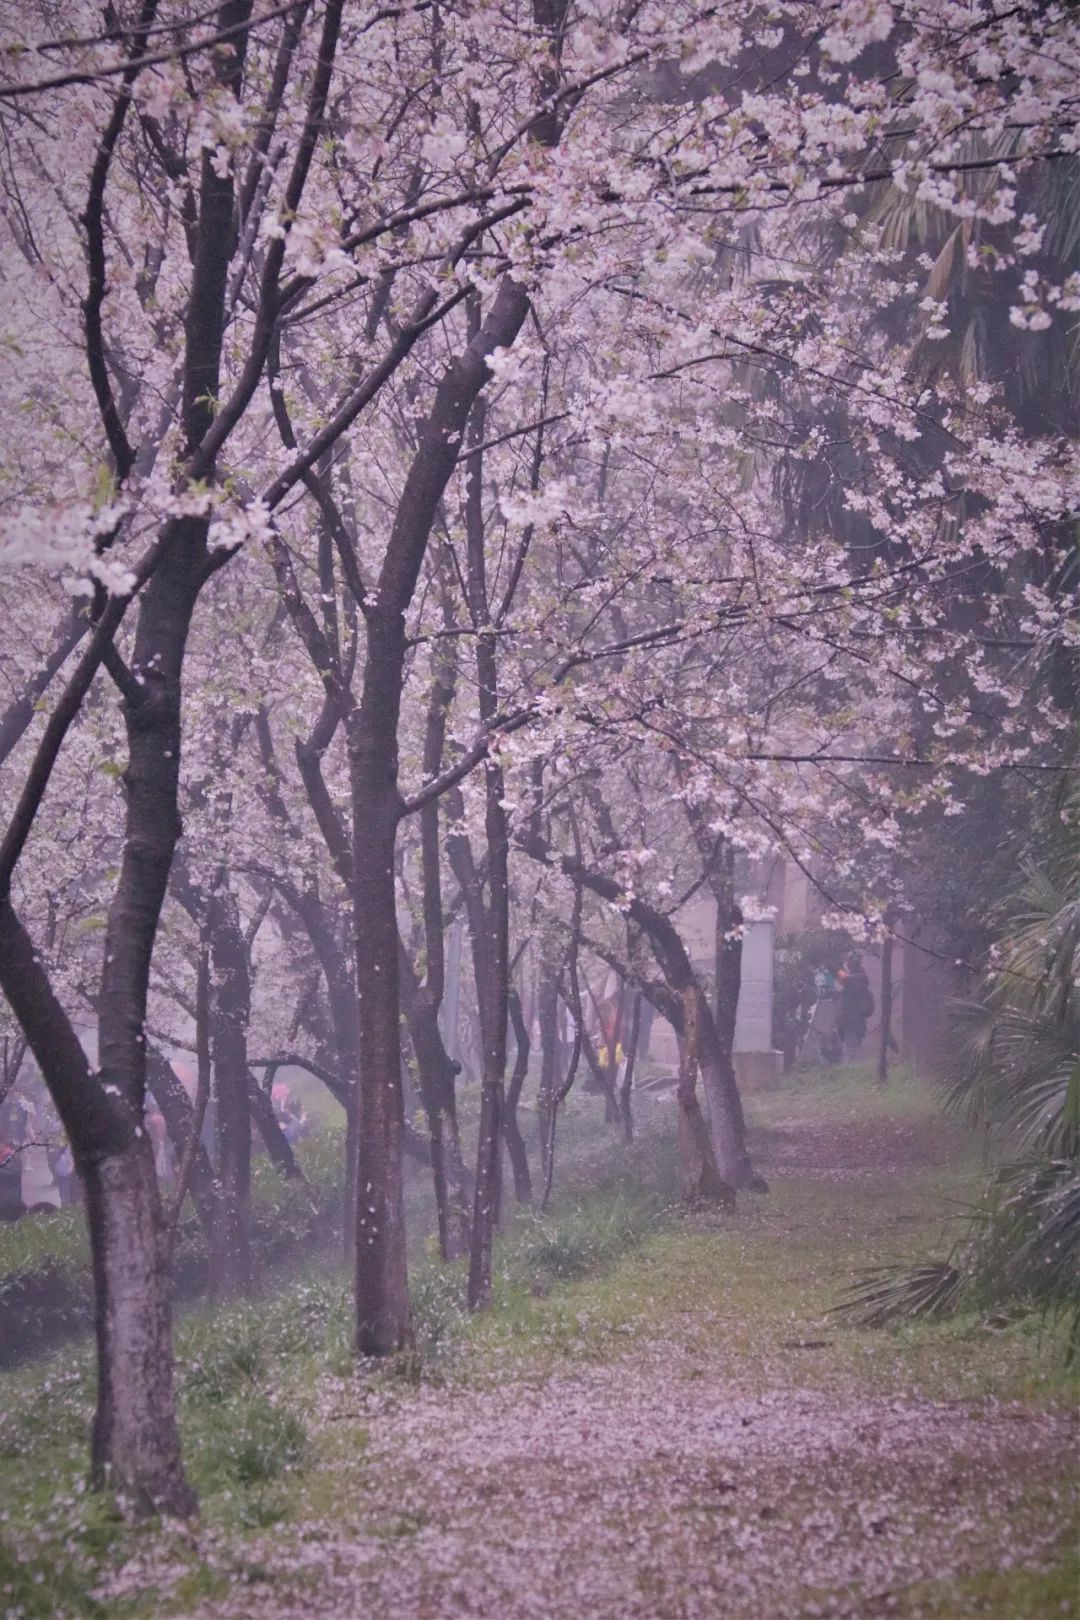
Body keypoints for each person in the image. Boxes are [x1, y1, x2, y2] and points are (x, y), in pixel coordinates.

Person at [837, 954, 875, 1062]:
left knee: (851, 1048)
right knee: (856, 1046)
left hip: (849, 1021)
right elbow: (869, 1009)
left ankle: (852, 1067)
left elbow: (838, 973)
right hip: (859, 1021)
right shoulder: (863, 983)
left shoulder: (848, 981)